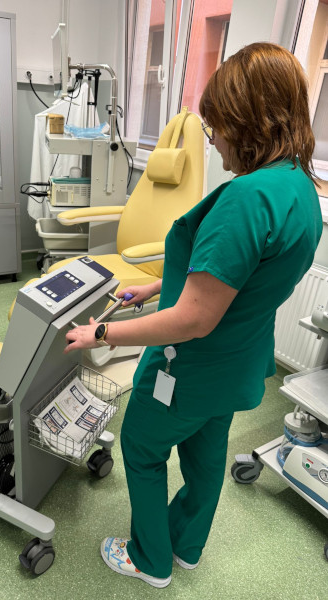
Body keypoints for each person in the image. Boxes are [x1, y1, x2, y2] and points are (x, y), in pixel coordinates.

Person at [64, 42, 323, 588]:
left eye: (216, 126)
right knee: (205, 460)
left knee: (141, 447)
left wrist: (102, 332)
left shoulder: (247, 197)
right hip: (237, 367)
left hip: (188, 368)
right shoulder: (301, 190)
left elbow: (193, 320)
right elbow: (237, 277)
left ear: (247, 120)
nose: (214, 140)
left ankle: (149, 560)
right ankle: (185, 546)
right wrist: (161, 284)